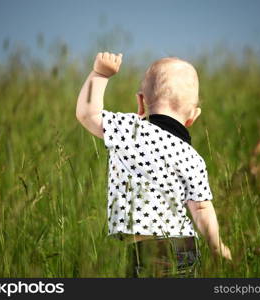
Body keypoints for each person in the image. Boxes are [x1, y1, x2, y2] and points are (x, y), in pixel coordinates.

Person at [76, 52, 231, 277]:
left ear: (141, 102)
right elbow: (202, 208)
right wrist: (217, 246)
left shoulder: (129, 129)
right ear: (193, 116)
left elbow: (87, 113)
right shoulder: (192, 157)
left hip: (149, 251)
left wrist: (100, 74)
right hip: (185, 247)